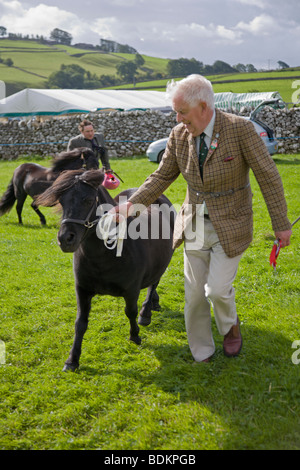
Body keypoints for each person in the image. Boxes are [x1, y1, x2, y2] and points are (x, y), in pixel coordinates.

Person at [111, 74, 292, 363]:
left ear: (204, 107)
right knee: (194, 295)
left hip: (232, 223)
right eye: (176, 112)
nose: (179, 118)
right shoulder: (178, 135)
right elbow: (161, 176)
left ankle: (230, 327)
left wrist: (280, 224)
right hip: (193, 223)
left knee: (217, 290)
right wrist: (130, 206)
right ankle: (202, 352)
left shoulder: (241, 130)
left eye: (183, 112)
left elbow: (268, 177)